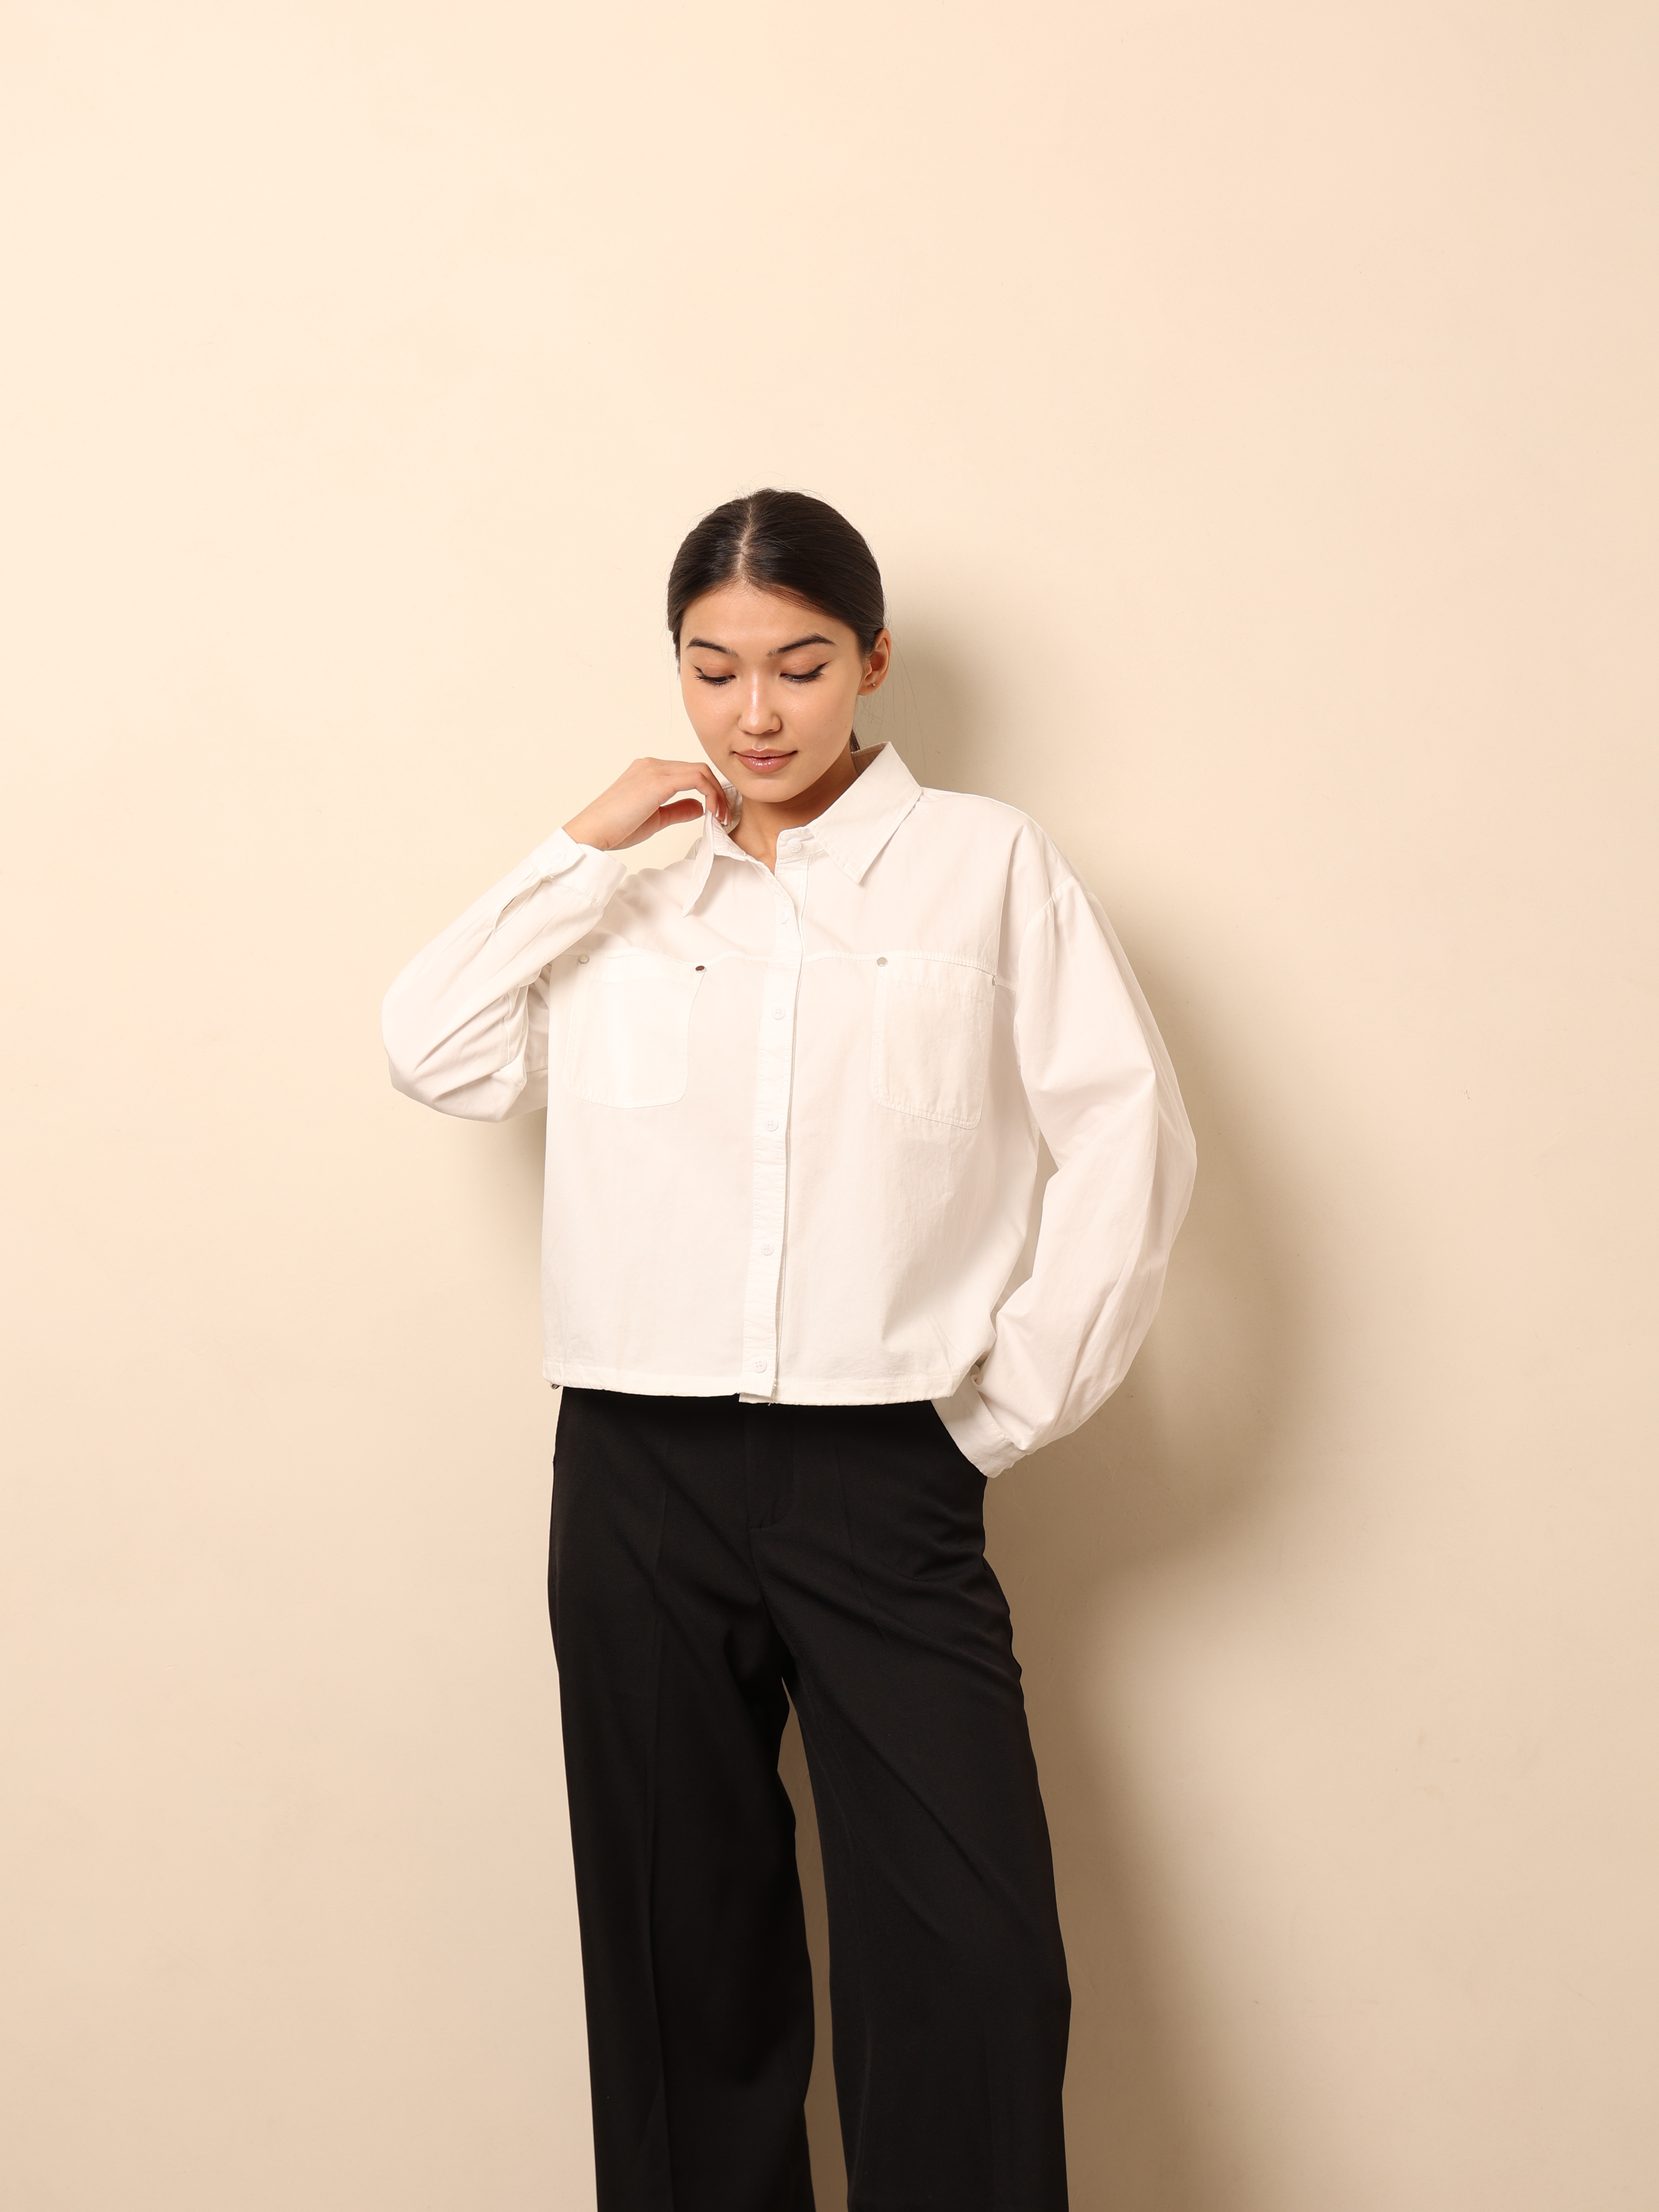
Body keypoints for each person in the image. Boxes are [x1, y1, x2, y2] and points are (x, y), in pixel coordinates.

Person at [382, 489, 1196, 2212]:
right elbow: (433, 1049)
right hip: (635, 1474)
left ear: (873, 660)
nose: (755, 713)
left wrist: (994, 1415)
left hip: (885, 1467)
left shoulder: (986, 868)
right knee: (678, 1959)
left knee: (973, 1964)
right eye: (714, 668)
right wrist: (583, 846)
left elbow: (1128, 1139)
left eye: (801, 666)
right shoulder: (625, 894)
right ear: (676, 668)